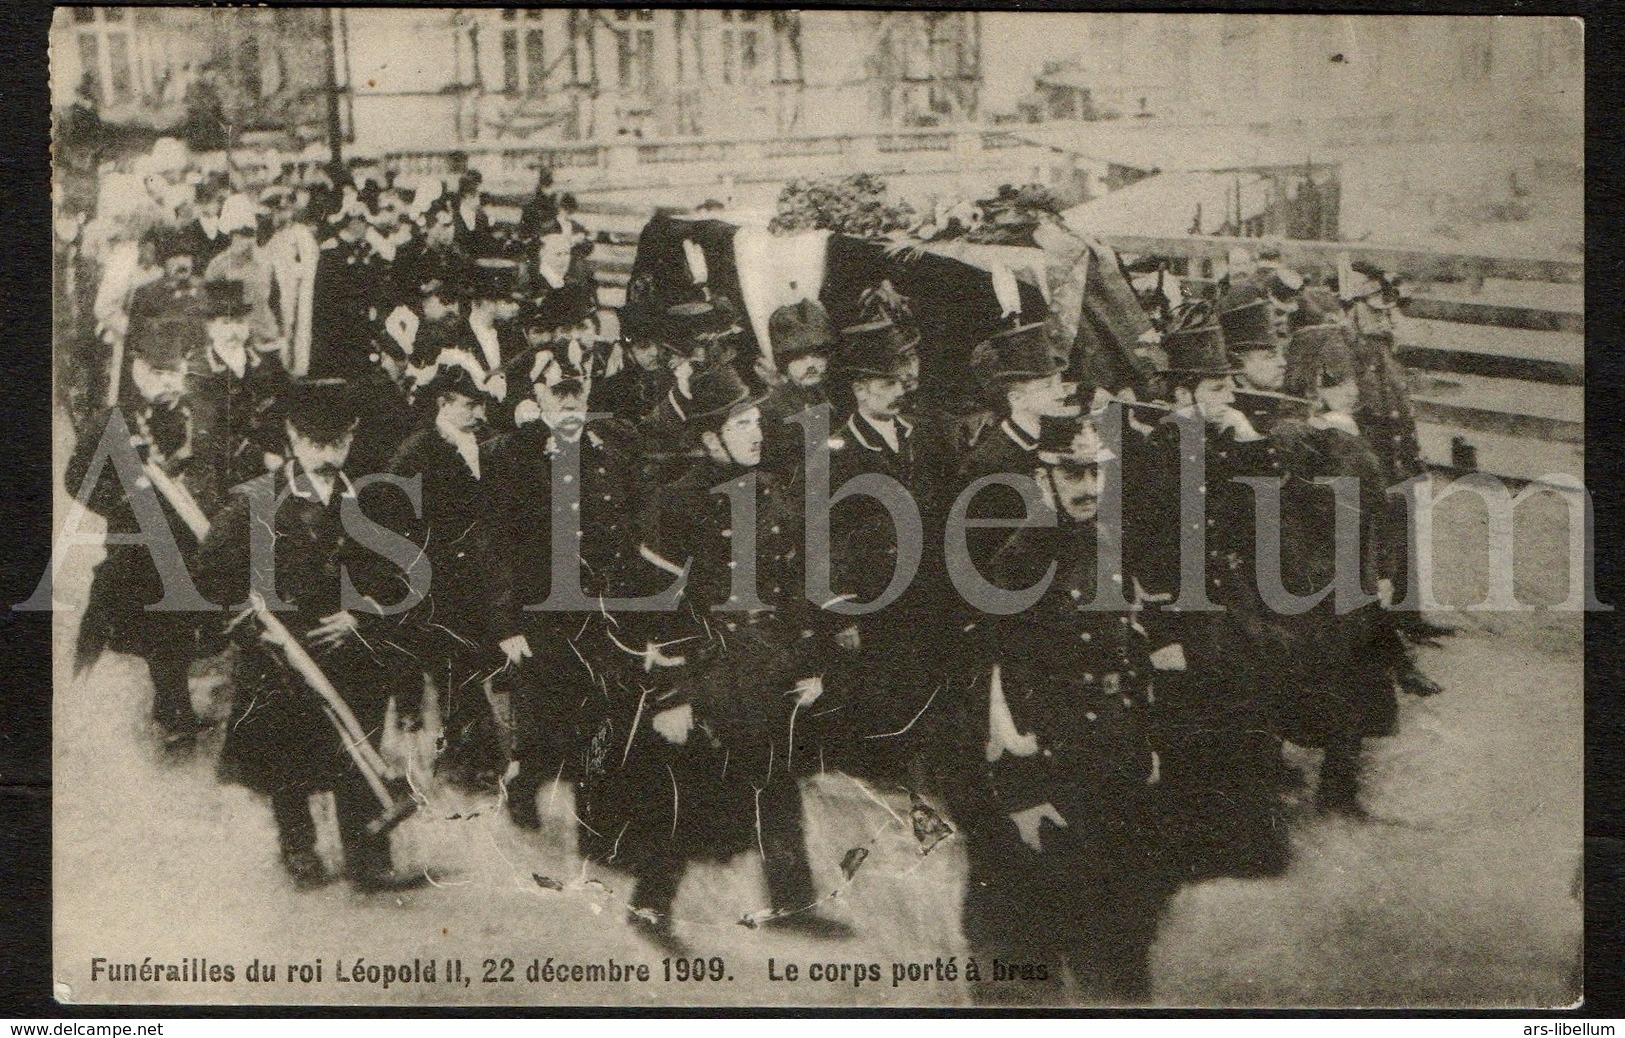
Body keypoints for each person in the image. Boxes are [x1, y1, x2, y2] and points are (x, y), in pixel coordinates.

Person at [624, 363, 851, 945]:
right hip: (706, 668)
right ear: (708, 437)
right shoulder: (677, 504)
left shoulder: (771, 490)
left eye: (755, 420)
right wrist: (670, 697)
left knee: (777, 779)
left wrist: (812, 665)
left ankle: (794, 901)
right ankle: (649, 905)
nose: (755, 432)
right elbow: (655, 607)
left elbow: (792, 585)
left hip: (766, 661)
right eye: (741, 423)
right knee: (691, 787)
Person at [966, 412, 1176, 1004]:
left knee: (1122, 924)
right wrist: (1021, 790)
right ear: (1044, 477)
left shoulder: (1109, 541)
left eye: (1095, 473)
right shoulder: (1020, 560)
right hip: (1052, 762)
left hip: (1113, 753)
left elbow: (1128, 648)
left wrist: (1146, 743)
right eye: (1072, 473)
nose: (1087, 487)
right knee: (1034, 927)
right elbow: (996, 683)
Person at [197, 378, 421, 892]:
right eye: (315, 442)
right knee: (285, 754)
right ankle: (297, 847)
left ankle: (368, 854)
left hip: (350, 652)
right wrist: (252, 625)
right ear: (292, 438)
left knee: (357, 742)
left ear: (352, 438)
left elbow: (400, 575)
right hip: (281, 656)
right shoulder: (253, 503)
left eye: (337, 442)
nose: (326, 454)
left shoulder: (375, 502)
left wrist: (362, 617)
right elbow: (209, 577)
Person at [1132, 304, 1293, 881]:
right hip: (1187, 610)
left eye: (1228, 382)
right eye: (1215, 384)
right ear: (1185, 392)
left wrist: (1250, 441)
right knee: (1195, 726)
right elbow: (1145, 551)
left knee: (1248, 714)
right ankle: (1197, 851)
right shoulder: (1159, 452)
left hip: (1234, 601)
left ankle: (1249, 845)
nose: (1228, 393)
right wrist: (1163, 634)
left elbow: (1268, 508)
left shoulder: (1227, 439)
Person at [486, 349, 648, 828]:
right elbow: (497, 547)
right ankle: (523, 781)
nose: (571, 404)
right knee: (546, 711)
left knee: (604, 707)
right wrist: (507, 622)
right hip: (544, 610)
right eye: (559, 393)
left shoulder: (616, 444)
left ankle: (596, 813)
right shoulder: (515, 455)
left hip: (605, 606)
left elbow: (637, 526)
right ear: (538, 396)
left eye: (577, 392)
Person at [67, 351, 213, 746]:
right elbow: (77, 479)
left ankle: (174, 700)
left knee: (181, 624)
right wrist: (124, 499)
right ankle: (173, 711)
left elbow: (214, 464)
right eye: (157, 373)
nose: (168, 382)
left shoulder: (198, 413)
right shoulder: (112, 423)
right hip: (138, 543)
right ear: (137, 372)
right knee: (159, 624)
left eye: (175, 372)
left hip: (188, 536)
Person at [822, 315, 943, 786]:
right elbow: (823, 540)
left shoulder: (919, 437)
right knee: (878, 699)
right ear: (859, 390)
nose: (897, 391)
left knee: (921, 692)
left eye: (899, 381)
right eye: (885, 383)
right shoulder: (837, 452)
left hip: (922, 593)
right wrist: (841, 614)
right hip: (872, 601)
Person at [378, 366, 507, 790]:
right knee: (457, 667)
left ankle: (473, 757)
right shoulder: (415, 454)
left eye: (481, 404)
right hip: (439, 581)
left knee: (473, 665)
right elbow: (394, 522)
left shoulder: (487, 444)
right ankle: (471, 765)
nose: (477, 412)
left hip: (485, 576)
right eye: (469, 405)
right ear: (444, 404)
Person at [1339, 261, 1455, 649]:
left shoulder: (1385, 350)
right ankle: (1377, 630)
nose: (1386, 314)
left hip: (1396, 451)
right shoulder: (1344, 350)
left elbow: (1399, 407)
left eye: (1389, 307)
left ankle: (1411, 614)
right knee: (1369, 540)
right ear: (1353, 307)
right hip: (1366, 454)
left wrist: (1412, 454)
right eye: (1375, 306)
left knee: (1405, 531)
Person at [755, 298, 836, 477]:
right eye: (799, 357)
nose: (811, 365)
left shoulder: (838, 396)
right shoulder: (772, 412)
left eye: (818, 354)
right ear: (784, 362)